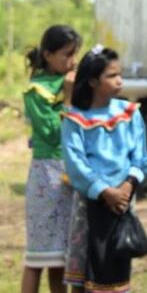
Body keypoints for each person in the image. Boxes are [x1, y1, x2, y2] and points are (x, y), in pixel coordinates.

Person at [61, 46, 147, 292]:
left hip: (123, 200)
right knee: (86, 263)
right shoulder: (75, 118)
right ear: (92, 81)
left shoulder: (129, 113)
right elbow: (75, 163)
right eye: (111, 75)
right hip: (89, 201)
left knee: (117, 262)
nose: (119, 79)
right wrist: (104, 191)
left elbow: (140, 157)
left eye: (119, 73)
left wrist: (126, 186)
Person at [20, 25, 82, 293]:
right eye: (67, 55)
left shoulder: (73, 79)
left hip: (71, 171)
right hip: (47, 175)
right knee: (37, 256)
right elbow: (52, 132)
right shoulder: (37, 90)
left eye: (74, 54)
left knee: (61, 258)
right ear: (47, 54)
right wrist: (68, 97)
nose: (72, 61)